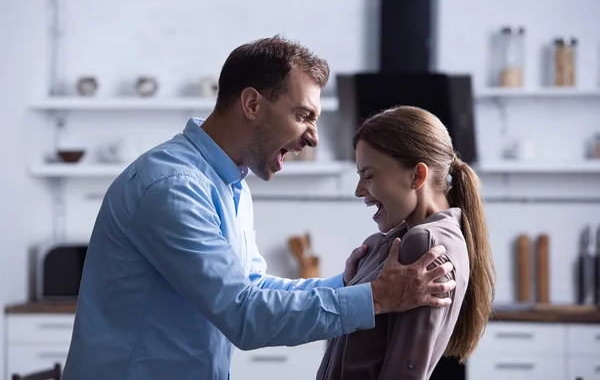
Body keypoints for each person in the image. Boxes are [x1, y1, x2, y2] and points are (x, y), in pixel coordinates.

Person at [61, 36, 456, 380]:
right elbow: (244, 315)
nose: (313, 138)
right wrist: (377, 298)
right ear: (252, 103)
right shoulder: (173, 188)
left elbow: (253, 287)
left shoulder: (230, 184)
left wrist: (348, 285)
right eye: (303, 115)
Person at [316, 106, 496, 380]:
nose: (358, 190)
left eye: (369, 175)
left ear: (417, 176)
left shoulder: (424, 244)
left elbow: (404, 372)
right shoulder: (402, 240)